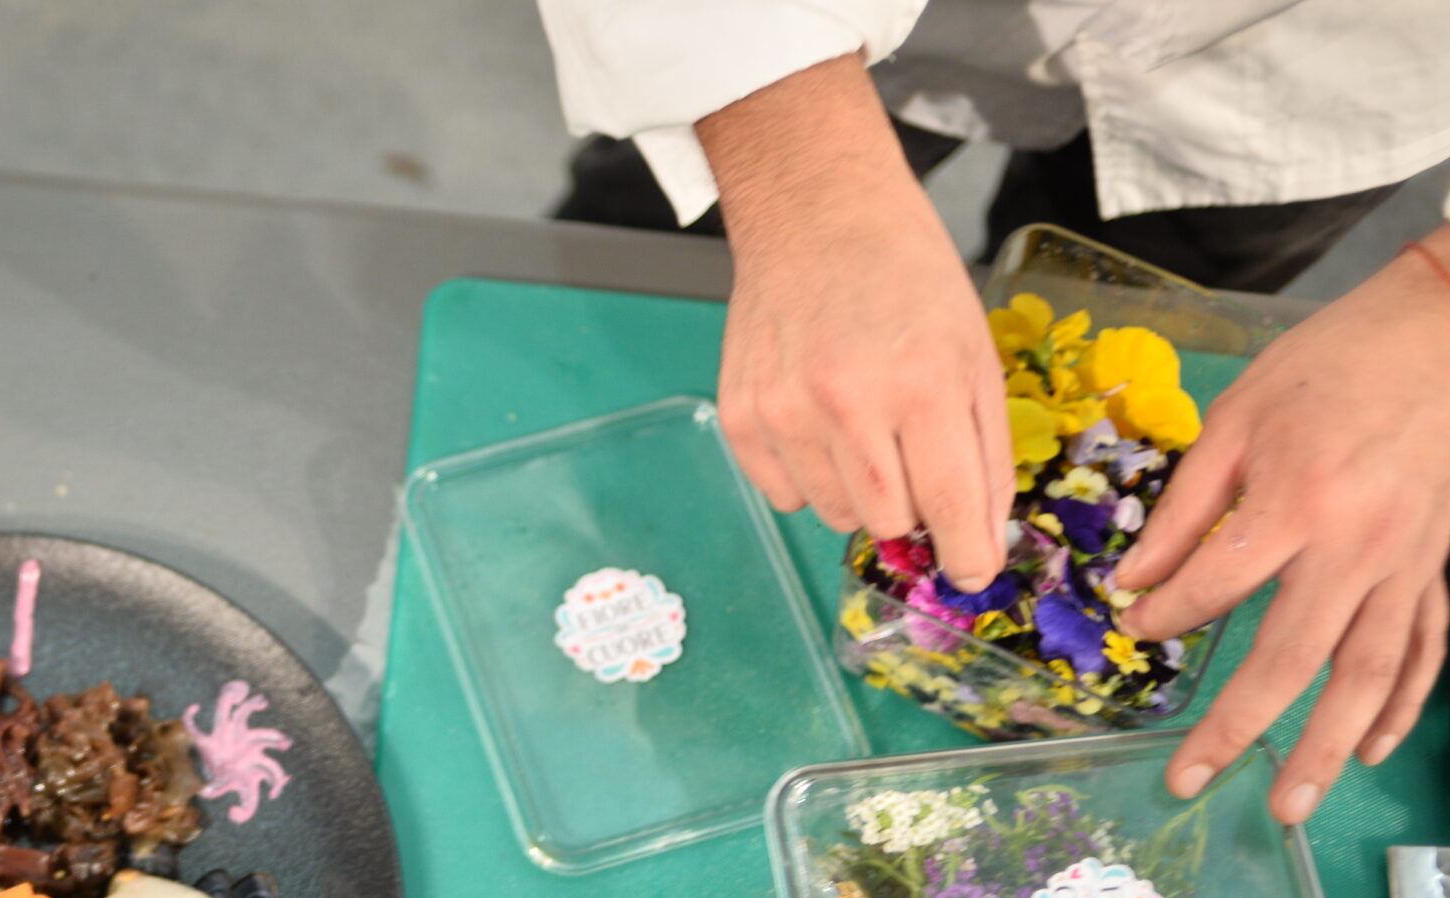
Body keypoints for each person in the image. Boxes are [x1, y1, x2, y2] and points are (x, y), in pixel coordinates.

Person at [532, 2, 1450, 822]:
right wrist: (787, 154)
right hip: (814, 30)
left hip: (1311, 75)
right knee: (650, 229)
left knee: (1170, 266)